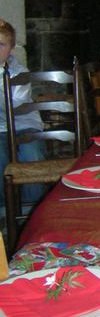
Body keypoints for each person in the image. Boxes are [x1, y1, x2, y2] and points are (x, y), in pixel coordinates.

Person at [0, 20, 45, 216]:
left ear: (11, 49)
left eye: (1, 45)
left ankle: (31, 210)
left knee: (31, 155)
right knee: (0, 158)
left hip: (24, 125)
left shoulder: (20, 72)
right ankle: (4, 210)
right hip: (0, 128)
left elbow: (15, 104)